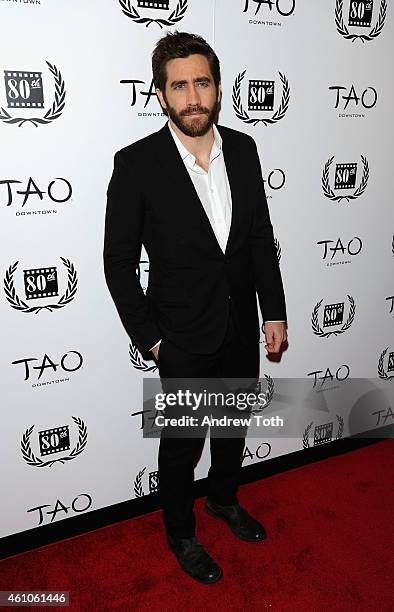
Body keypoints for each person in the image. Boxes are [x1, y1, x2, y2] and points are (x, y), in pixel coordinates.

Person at [104, 31, 288, 584]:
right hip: (180, 335)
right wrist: (152, 339)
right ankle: (181, 532)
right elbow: (117, 263)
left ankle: (224, 501)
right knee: (182, 446)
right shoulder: (136, 164)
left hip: (238, 325)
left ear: (217, 87)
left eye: (201, 83)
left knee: (232, 428)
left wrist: (273, 313)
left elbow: (259, 237)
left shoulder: (246, 148)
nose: (192, 97)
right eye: (179, 85)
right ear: (160, 94)